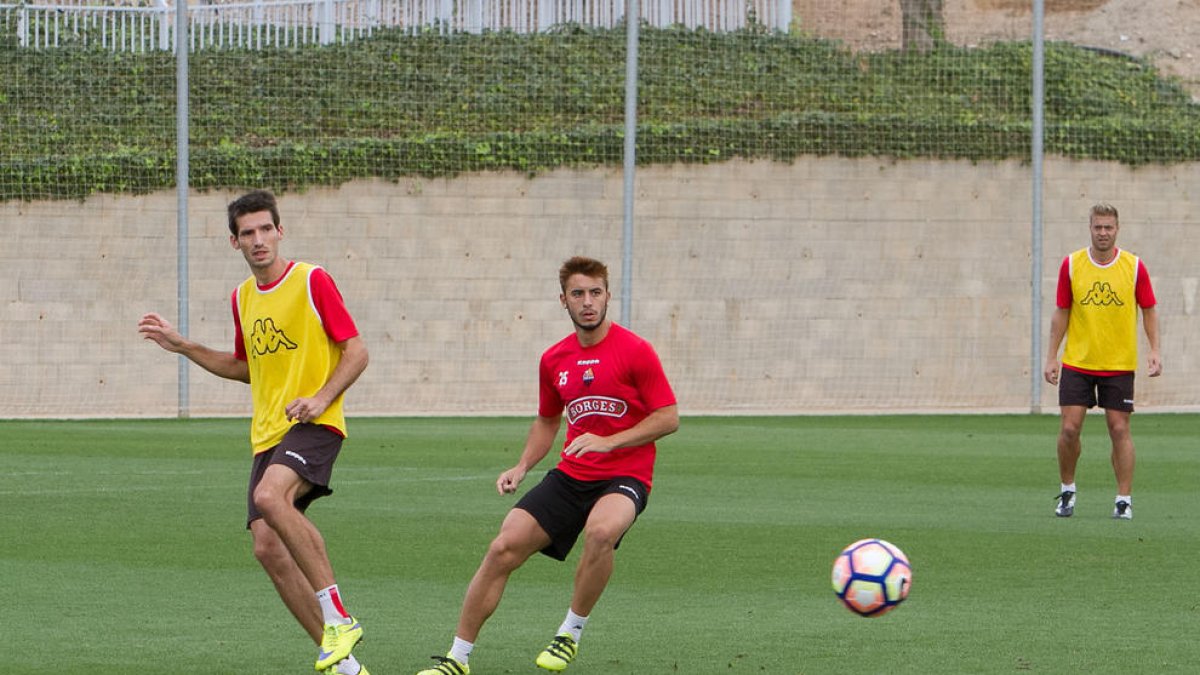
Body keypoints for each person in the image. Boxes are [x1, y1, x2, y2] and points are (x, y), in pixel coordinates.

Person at [138, 190, 371, 674]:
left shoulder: (312, 281)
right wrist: (184, 346)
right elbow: (246, 367)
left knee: (270, 497)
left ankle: (339, 615)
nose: (259, 240)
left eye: (266, 229)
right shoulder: (242, 298)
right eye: (248, 233)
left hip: (314, 422)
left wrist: (321, 399)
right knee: (266, 547)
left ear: (280, 231)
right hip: (268, 434)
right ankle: (349, 668)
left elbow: (356, 351)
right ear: (234, 242)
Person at [416, 256, 679, 675]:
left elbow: (668, 417)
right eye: (578, 294)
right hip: (572, 474)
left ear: (608, 296)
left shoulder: (636, 351)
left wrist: (609, 442)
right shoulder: (554, 359)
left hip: (626, 475)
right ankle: (457, 659)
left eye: (595, 292)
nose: (588, 302)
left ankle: (569, 633)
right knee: (502, 548)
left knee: (601, 531)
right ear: (564, 301)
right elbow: (547, 420)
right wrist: (522, 465)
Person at [1043, 203, 1161, 520]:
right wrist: (1051, 356)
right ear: (1090, 228)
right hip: (1078, 363)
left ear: (1117, 229)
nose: (1103, 233)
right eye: (1098, 227)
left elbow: (1149, 308)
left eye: (1109, 227)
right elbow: (1061, 312)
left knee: (1119, 428)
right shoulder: (1071, 265)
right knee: (1069, 428)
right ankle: (1067, 492)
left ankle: (1123, 500)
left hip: (1119, 364)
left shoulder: (1134, 267)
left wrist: (1154, 350)